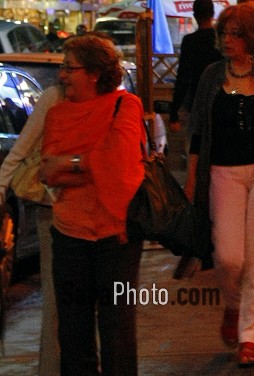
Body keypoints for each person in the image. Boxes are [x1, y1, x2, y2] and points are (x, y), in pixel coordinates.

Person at [39, 34, 147, 376]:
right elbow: (47, 172)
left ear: (94, 73)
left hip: (117, 236)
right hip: (69, 237)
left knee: (118, 333)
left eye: (69, 68)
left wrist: (71, 163)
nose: (62, 75)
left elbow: (121, 161)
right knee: (73, 336)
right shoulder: (56, 115)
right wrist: (95, 164)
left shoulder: (126, 105)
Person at [185, 2, 254, 369]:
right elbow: (197, 131)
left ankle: (250, 338)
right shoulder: (212, 75)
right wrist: (192, 178)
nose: (227, 40)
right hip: (223, 172)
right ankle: (233, 304)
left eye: (235, 34)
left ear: (251, 37)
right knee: (228, 256)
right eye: (224, 33)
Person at [0, 84, 63, 376]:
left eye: (71, 67)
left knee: (92, 306)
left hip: (97, 218)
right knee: (55, 305)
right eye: (64, 66)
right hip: (53, 212)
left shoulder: (118, 103)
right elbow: (20, 150)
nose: (64, 73)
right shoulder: (54, 98)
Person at [169, 0, 223, 131]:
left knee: (196, 138)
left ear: (194, 15)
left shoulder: (189, 41)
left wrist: (174, 112)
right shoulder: (221, 39)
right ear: (212, 14)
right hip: (220, 97)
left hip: (196, 100)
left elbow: (183, 76)